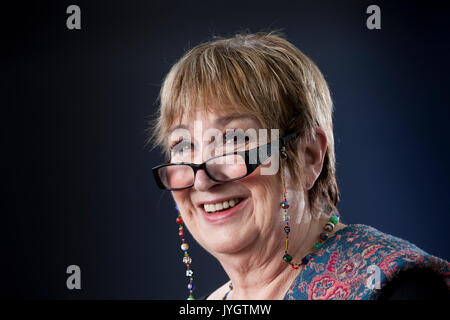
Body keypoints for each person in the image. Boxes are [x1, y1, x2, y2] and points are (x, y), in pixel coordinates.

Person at [149, 30, 450, 300]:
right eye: (183, 145)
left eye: (233, 140)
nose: (202, 181)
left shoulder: (401, 290)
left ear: (307, 156)